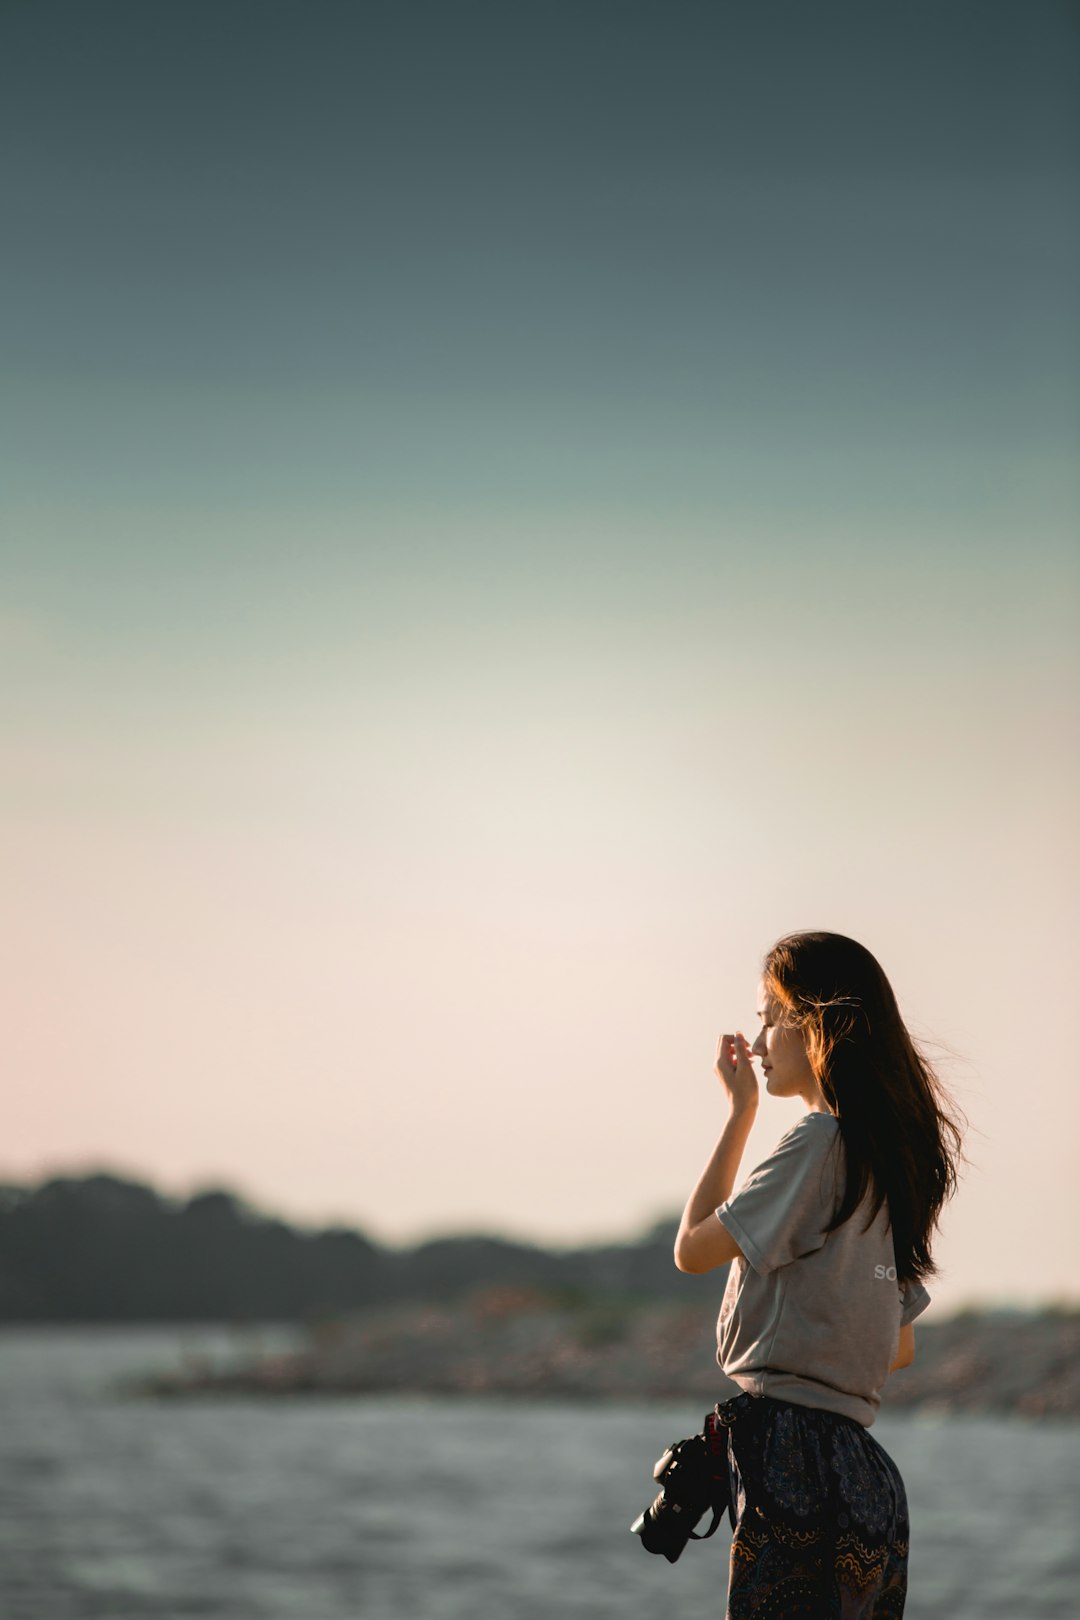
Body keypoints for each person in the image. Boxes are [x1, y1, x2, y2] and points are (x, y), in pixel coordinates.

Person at [673, 930, 967, 1619]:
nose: (759, 1039)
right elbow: (897, 1345)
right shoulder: (890, 1166)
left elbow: (691, 1248)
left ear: (817, 1026)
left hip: (788, 1458)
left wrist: (739, 1113)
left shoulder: (818, 1141)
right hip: (865, 1474)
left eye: (771, 1019)